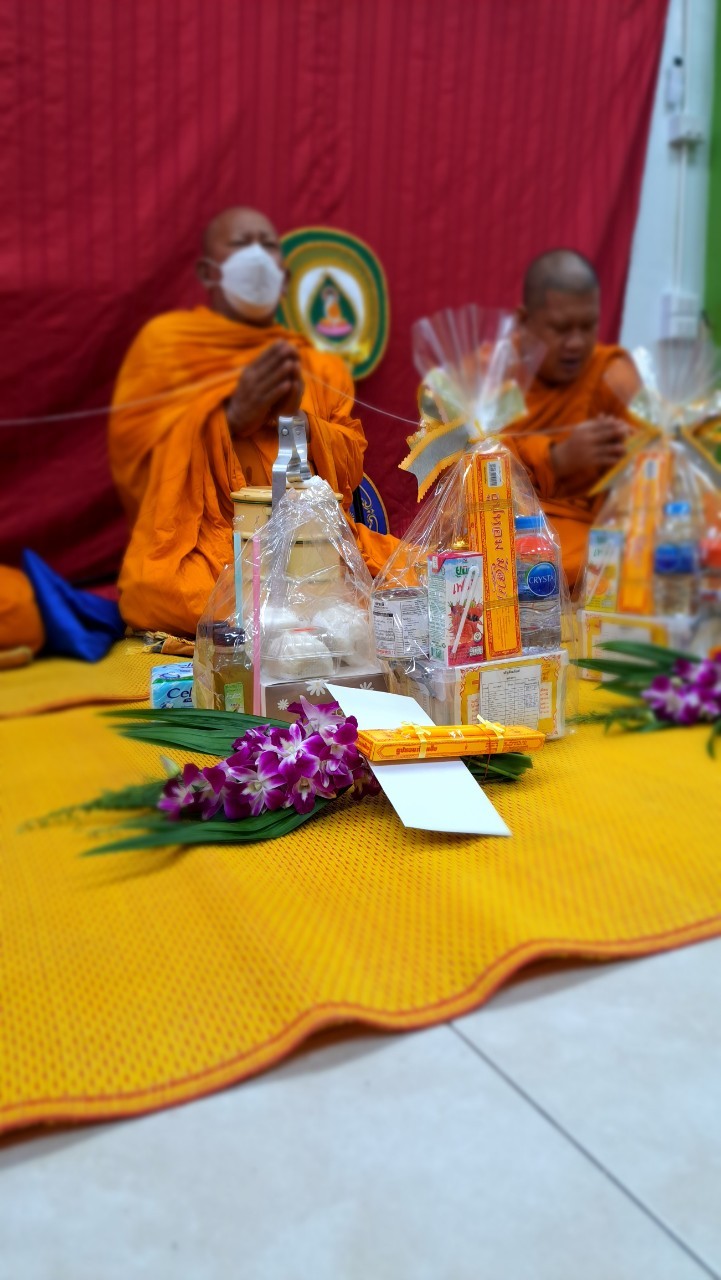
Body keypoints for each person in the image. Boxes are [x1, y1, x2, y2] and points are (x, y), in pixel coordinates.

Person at [109, 207, 397, 637]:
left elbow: (350, 468)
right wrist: (228, 421)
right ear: (208, 273)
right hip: (215, 546)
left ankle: (287, 619)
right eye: (241, 245)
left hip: (312, 543)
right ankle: (307, 618)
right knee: (154, 591)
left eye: (267, 246)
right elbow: (137, 463)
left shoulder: (319, 366)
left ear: (283, 276)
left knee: (413, 571)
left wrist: (298, 422)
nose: (257, 256)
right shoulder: (166, 345)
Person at [502, 249, 640, 591]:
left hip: (588, 536)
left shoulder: (613, 375)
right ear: (524, 322)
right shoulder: (494, 375)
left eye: (588, 326)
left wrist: (634, 458)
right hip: (509, 532)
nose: (577, 343)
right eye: (561, 329)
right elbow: (474, 473)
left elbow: (652, 467)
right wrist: (557, 459)